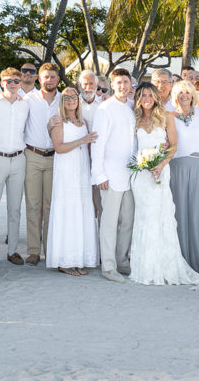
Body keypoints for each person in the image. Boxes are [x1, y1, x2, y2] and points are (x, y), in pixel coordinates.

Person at [128, 83, 199, 290]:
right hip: (140, 176)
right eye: (143, 95)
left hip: (161, 171)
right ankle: (144, 267)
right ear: (139, 98)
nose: (147, 98)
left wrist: (160, 165)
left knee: (162, 217)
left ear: (156, 97)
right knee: (144, 218)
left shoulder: (167, 116)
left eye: (151, 95)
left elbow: (174, 145)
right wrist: (142, 163)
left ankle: (163, 266)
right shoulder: (134, 119)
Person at [46, 86, 99, 275]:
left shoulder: (83, 121)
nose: (70, 100)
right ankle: (64, 261)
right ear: (62, 101)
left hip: (82, 170)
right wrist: (81, 141)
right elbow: (58, 148)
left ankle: (80, 258)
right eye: (66, 97)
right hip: (66, 172)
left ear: (78, 100)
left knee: (82, 211)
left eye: (73, 97)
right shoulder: (59, 122)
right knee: (68, 212)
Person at [92, 68, 137, 283]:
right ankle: (108, 266)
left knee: (127, 221)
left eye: (125, 82)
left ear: (130, 84)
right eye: (118, 82)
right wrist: (99, 174)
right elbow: (97, 143)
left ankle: (122, 261)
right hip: (110, 174)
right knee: (109, 222)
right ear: (112, 83)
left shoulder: (131, 106)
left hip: (130, 175)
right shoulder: (105, 108)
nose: (122, 86)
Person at [168, 81, 199, 274]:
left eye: (187, 92)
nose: (184, 95)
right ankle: (182, 260)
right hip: (177, 167)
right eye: (180, 92)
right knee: (179, 214)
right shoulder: (169, 117)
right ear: (175, 96)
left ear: (193, 95)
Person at [0, 69, 30, 266]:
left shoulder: (25, 105)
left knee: (14, 208)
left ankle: (12, 250)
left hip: (18, 159)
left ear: (20, 83)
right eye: (8, 81)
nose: (12, 84)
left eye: (16, 81)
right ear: (2, 82)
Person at [23, 63, 61, 265]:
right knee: (33, 204)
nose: (49, 80)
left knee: (50, 206)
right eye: (46, 77)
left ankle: (50, 249)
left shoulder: (65, 100)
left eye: (53, 77)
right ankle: (33, 251)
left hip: (56, 157)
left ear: (58, 79)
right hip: (33, 155)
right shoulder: (28, 99)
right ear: (40, 79)